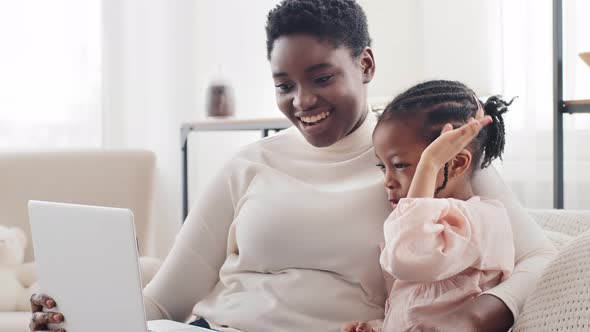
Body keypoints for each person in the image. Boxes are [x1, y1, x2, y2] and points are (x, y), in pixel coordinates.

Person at [29, 1, 556, 331]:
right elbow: (166, 300)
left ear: (365, 64)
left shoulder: (426, 156)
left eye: (322, 77)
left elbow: (540, 257)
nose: (303, 100)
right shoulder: (250, 164)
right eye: (285, 85)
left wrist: (485, 312)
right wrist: (78, 316)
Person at [342, 81, 517, 332]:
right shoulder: (421, 223)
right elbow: (420, 310)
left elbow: (407, 259)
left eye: (400, 165)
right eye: (383, 166)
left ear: (456, 164)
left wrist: (431, 163)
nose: (388, 182)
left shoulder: (482, 220)